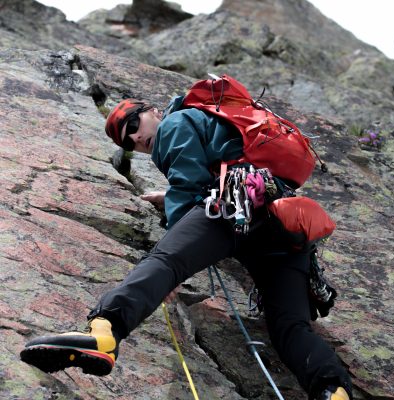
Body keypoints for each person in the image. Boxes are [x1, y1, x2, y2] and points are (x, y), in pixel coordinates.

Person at [20, 94, 353, 400]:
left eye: (134, 124)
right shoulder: (209, 124)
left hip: (234, 205)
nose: (135, 138)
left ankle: (104, 333)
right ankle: (333, 390)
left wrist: (179, 258)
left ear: (153, 111)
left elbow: (187, 186)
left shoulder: (176, 122)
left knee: (164, 262)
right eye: (127, 141)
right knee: (290, 327)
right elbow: (202, 174)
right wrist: (170, 197)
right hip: (282, 228)